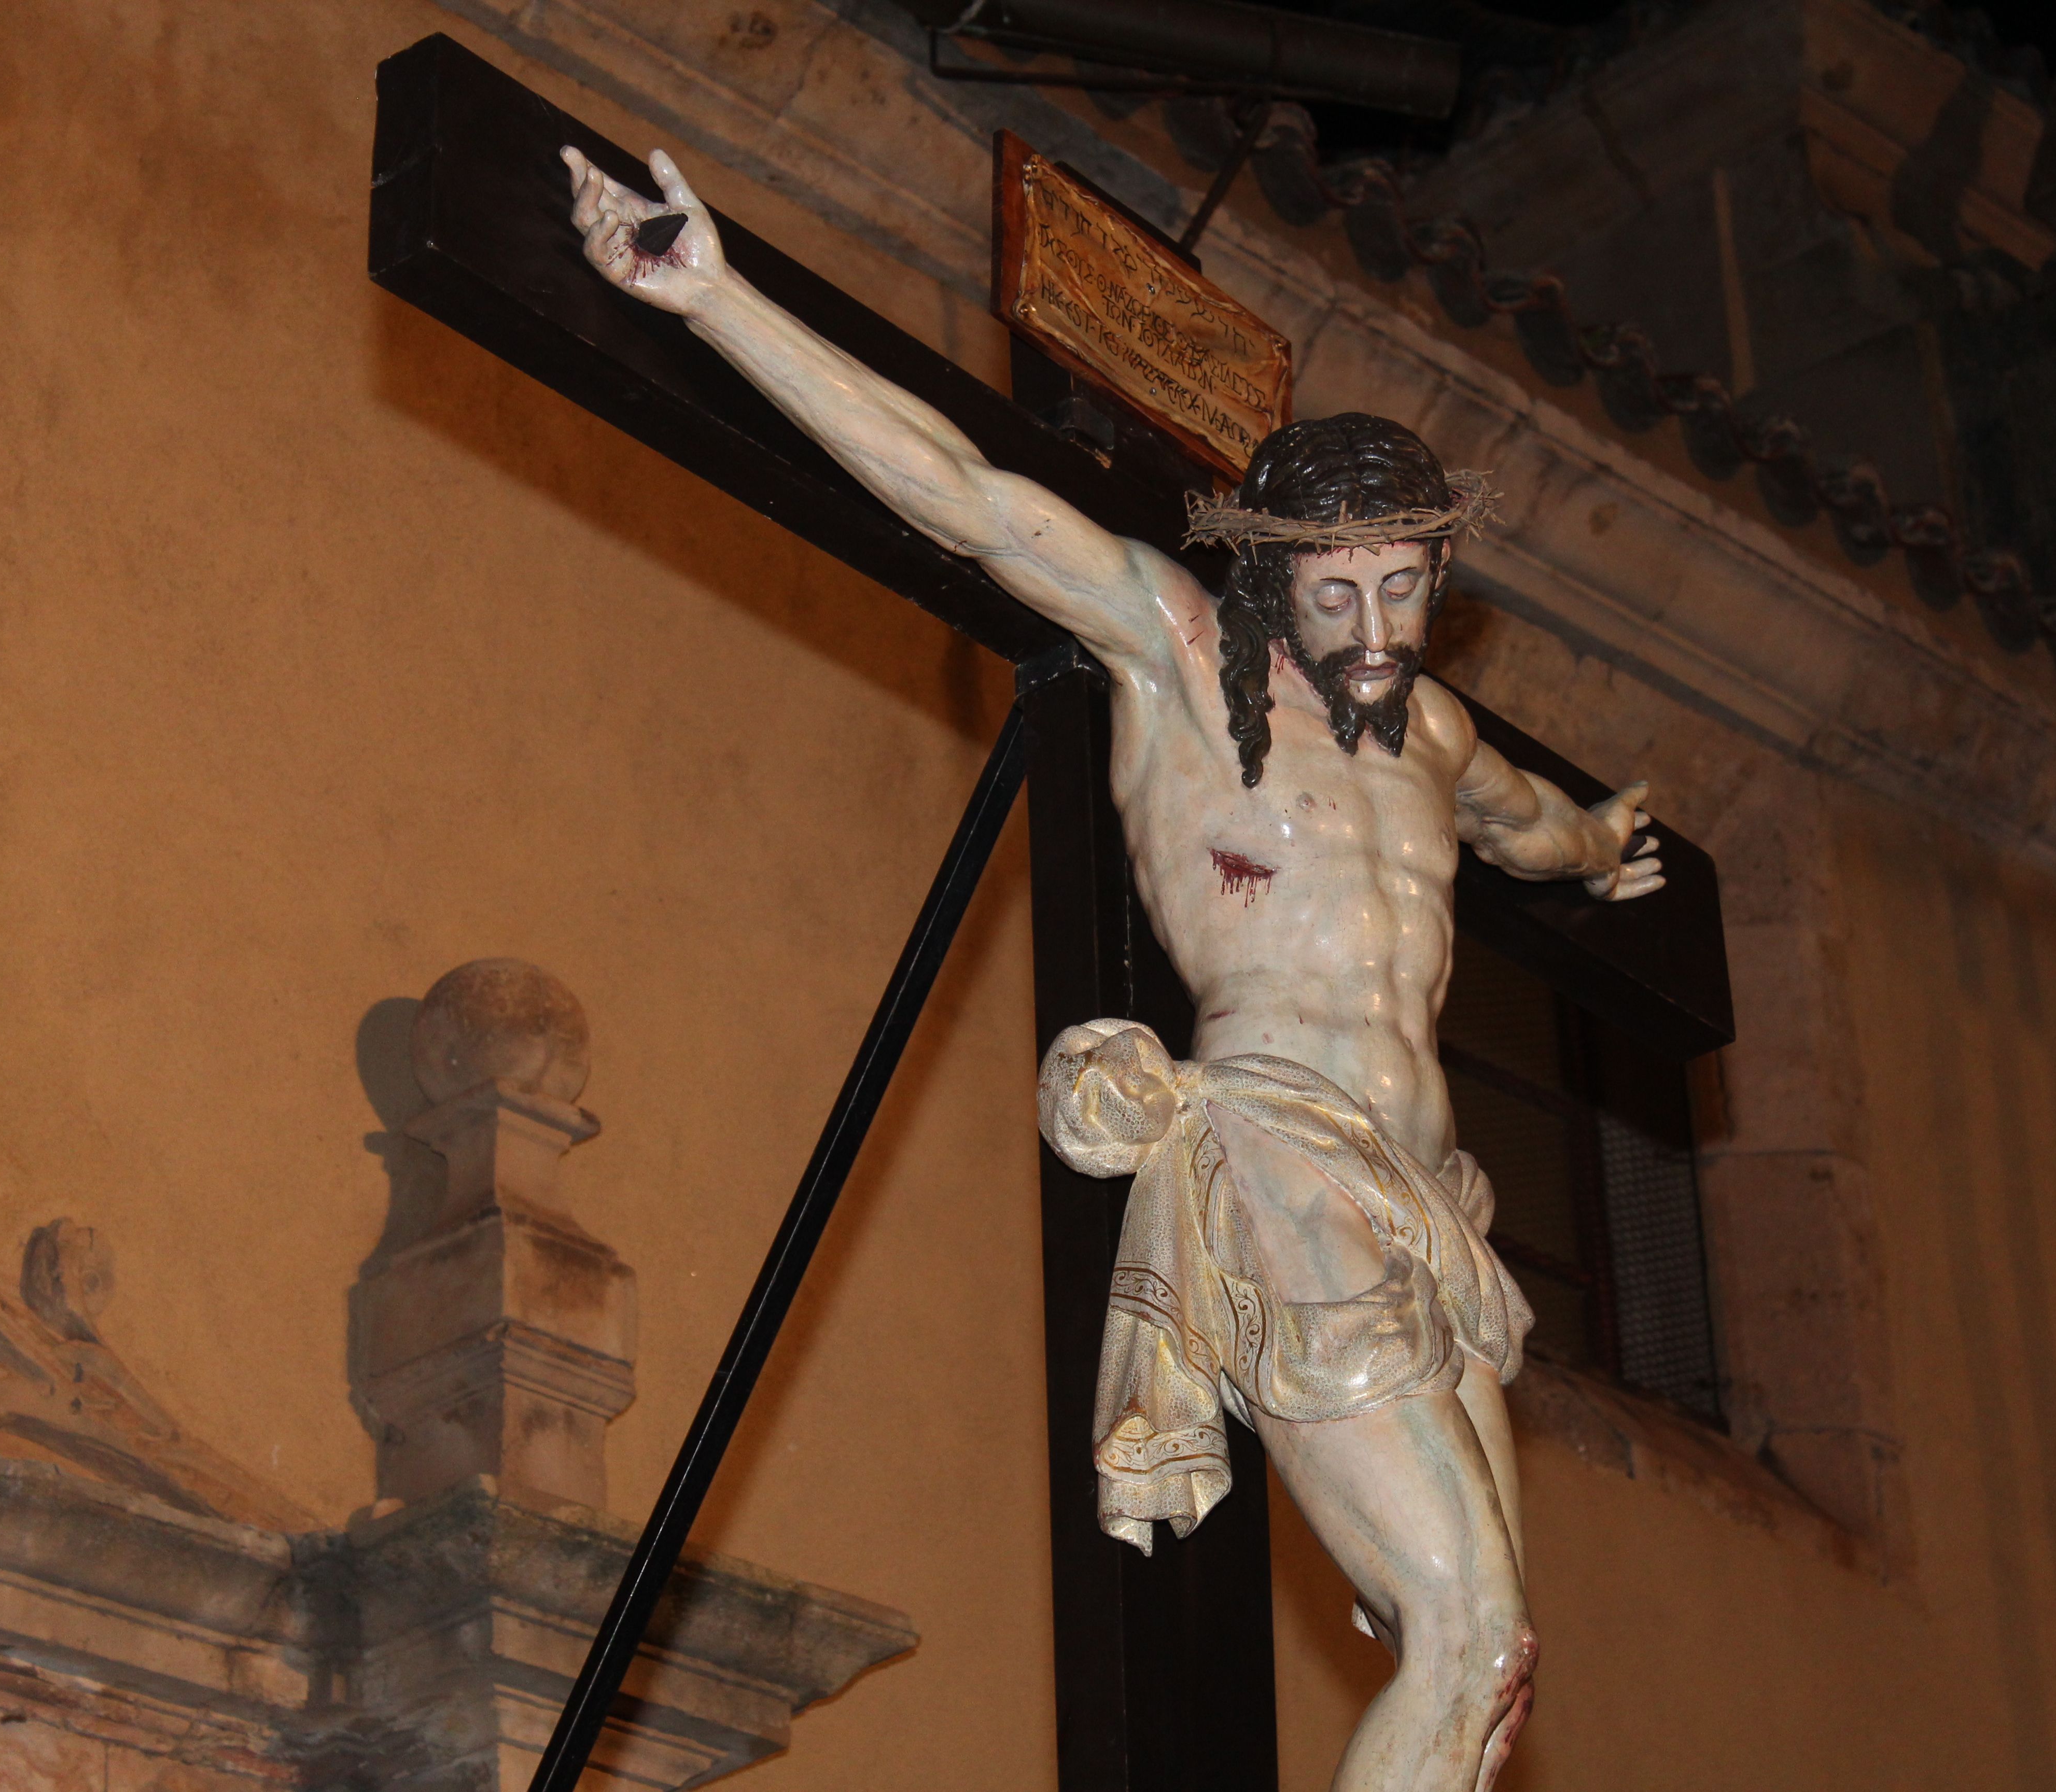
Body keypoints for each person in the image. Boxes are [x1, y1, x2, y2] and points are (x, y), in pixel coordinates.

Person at [565, 147, 1665, 1792]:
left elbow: (1524, 828)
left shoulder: (1432, 730)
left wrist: (1598, 846)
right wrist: (718, 296)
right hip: (1281, 1160)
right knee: (1467, 1630)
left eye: (1406, 586)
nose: (1374, 623)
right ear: (1269, 573)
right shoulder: (1171, 650)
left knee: (1498, 1663)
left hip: (1425, 1206)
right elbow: (962, 490)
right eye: (1337, 588)